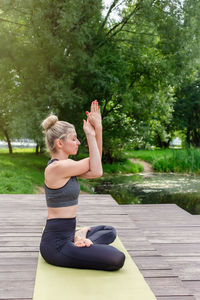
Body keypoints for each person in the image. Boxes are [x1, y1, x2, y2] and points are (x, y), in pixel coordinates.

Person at [39, 100, 125, 271]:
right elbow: (96, 164)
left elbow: (96, 169)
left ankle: (79, 236)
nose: (78, 142)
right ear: (60, 143)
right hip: (56, 246)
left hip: (68, 235)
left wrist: (98, 128)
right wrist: (90, 135)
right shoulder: (56, 168)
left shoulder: (69, 168)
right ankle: (79, 238)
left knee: (109, 231)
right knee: (116, 258)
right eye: (74, 138)